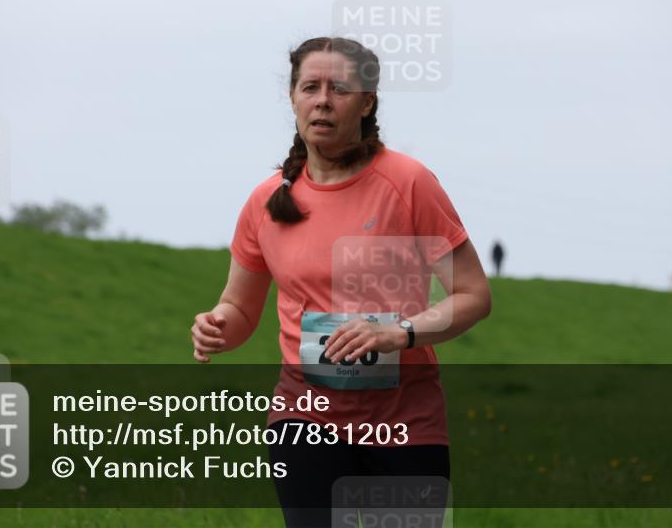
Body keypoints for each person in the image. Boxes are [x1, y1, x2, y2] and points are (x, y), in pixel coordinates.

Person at [190, 37, 492, 527]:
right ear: (293, 97)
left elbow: (474, 296)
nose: (323, 100)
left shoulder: (409, 182)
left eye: (340, 89)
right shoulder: (266, 202)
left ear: (367, 102)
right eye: (310, 87)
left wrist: (399, 333)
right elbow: (239, 309)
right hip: (303, 418)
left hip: (404, 423)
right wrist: (218, 325)